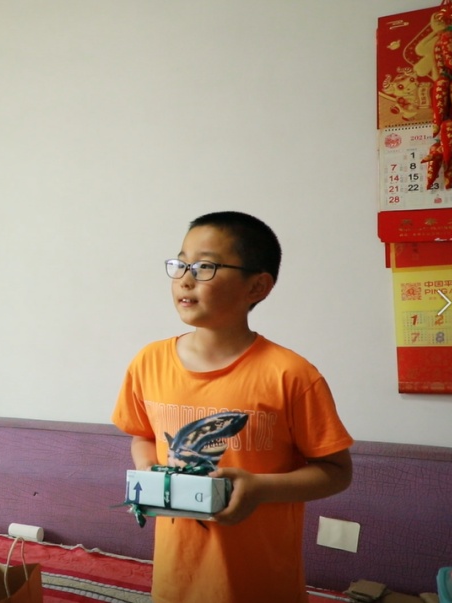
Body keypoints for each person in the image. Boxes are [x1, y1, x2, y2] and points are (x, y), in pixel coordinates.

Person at [110, 211, 353, 603]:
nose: (185, 278)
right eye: (180, 264)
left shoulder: (291, 374)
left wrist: (259, 489)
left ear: (257, 286)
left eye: (205, 266)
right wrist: (150, 472)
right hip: (177, 582)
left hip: (261, 584)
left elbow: (337, 472)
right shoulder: (148, 362)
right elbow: (142, 435)